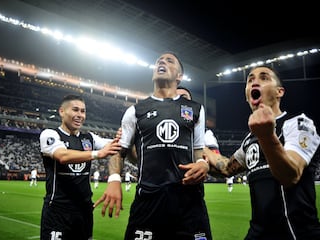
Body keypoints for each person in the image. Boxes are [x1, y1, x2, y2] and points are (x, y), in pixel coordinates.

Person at [95, 52, 212, 240]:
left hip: (189, 204)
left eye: (169, 60)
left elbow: (199, 152)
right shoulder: (135, 111)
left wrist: (203, 164)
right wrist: (114, 179)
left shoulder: (196, 109)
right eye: (159, 61)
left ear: (179, 76)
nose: (162, 62)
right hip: (149, 203)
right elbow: (119, 151)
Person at [204, 65, 320, 239]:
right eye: (250, 79)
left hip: (295, 232)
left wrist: (267, 137)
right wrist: (199, 147)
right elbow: (226, 168)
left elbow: (291, 174)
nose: (254, 81)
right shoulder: (249, 140)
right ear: (247, 95)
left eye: (264, 77)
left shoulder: (299, 124)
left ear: (279, 92)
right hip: (258, 232)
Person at [39, 94, 121, 240]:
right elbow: (62, 156)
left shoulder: (89, 138)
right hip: (58, 210)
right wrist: (97, 153)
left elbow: (115, 146)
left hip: (84, 210)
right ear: (62, 111)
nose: (80, 115)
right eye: (75, 110)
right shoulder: (50, 134)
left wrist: (122, 136)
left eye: (83, 111)